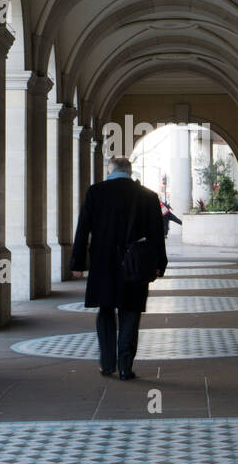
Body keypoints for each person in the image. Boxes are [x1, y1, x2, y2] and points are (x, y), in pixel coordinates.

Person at [70, 156, 167, 380]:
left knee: (105, 311)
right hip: (136, 264)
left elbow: (83, 229)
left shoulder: (95, 192)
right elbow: (156, 236)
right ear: (130, 172)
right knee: (130, 313)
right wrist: (160, 264)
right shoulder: (148, 196)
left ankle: (106, 364)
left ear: (110, 170)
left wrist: (77, 263)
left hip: (103, 263)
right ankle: (125, 367)